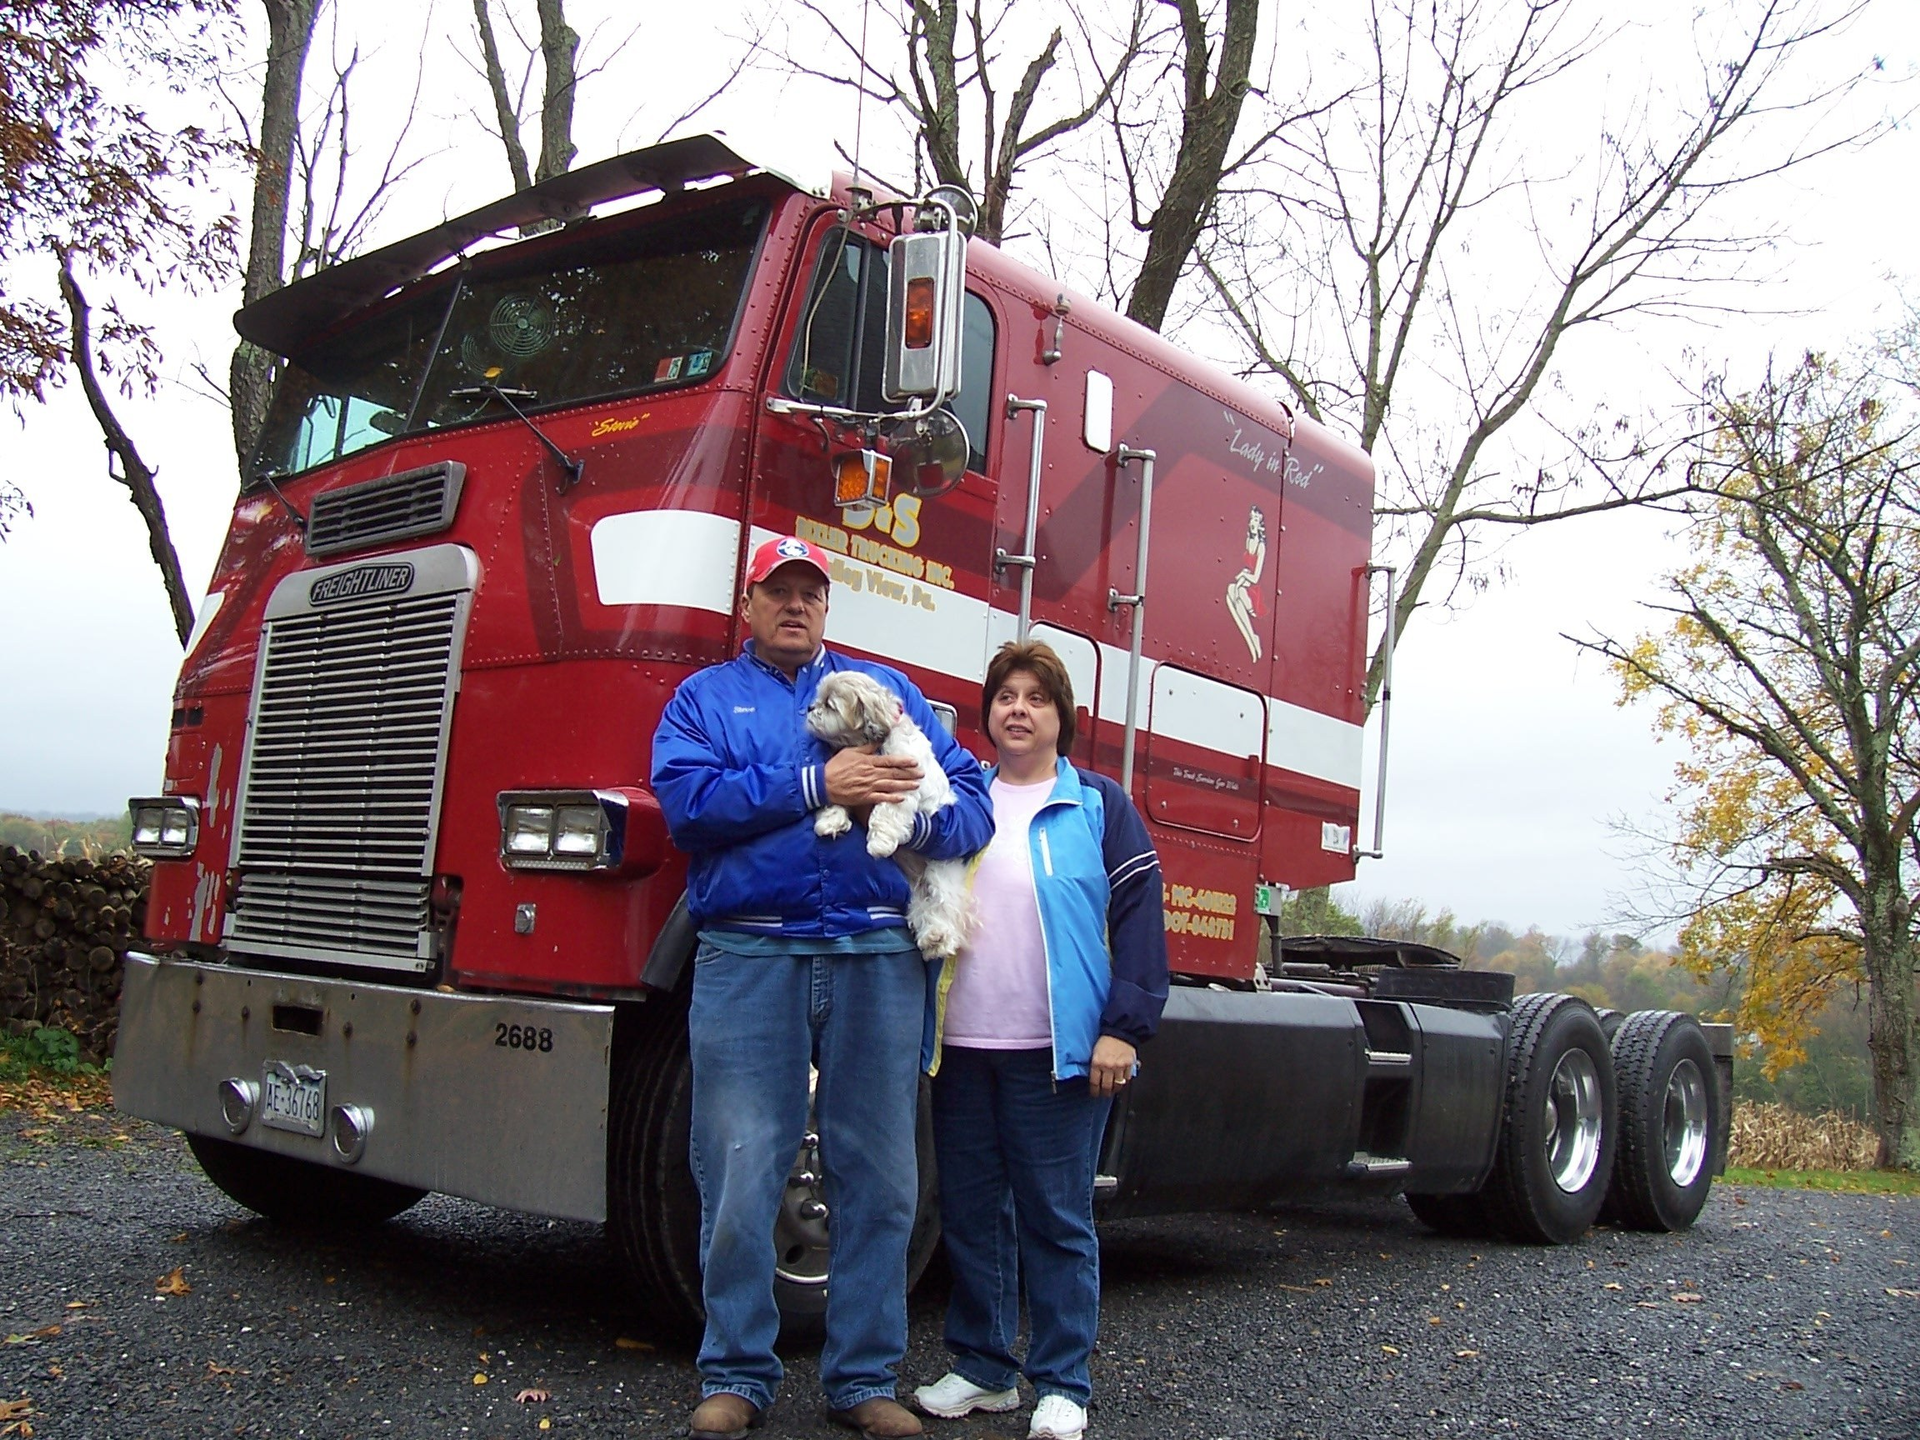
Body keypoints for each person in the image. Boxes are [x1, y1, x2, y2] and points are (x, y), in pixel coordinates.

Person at [651, 535, 995, 1440]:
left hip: (878, 955)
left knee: (880, 1175)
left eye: (811, 593)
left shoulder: (890, 694)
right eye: (779, 592)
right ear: (750, 604)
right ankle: (734, 1372)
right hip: (748, 954)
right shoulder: (703, 700)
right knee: (737, 1168)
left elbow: (974, 805)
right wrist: (817, 780)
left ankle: (864, 1379)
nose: (796, 606)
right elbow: (686, 808)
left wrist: (914, 802)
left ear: (827, 608)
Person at [911, 640, 1169, 1440]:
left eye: (1037, 697)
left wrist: (1122, 1030)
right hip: (963, 1047)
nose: (1018, 710)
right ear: (986, 714)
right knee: (973, 1215)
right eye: (1005, 697)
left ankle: (1064, 1381)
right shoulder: (966, 799)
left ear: (1062, 717)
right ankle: (985, 1369)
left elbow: (1139, 923)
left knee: (1057, 1216)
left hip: (1057, 1051)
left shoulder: (1098, 805)